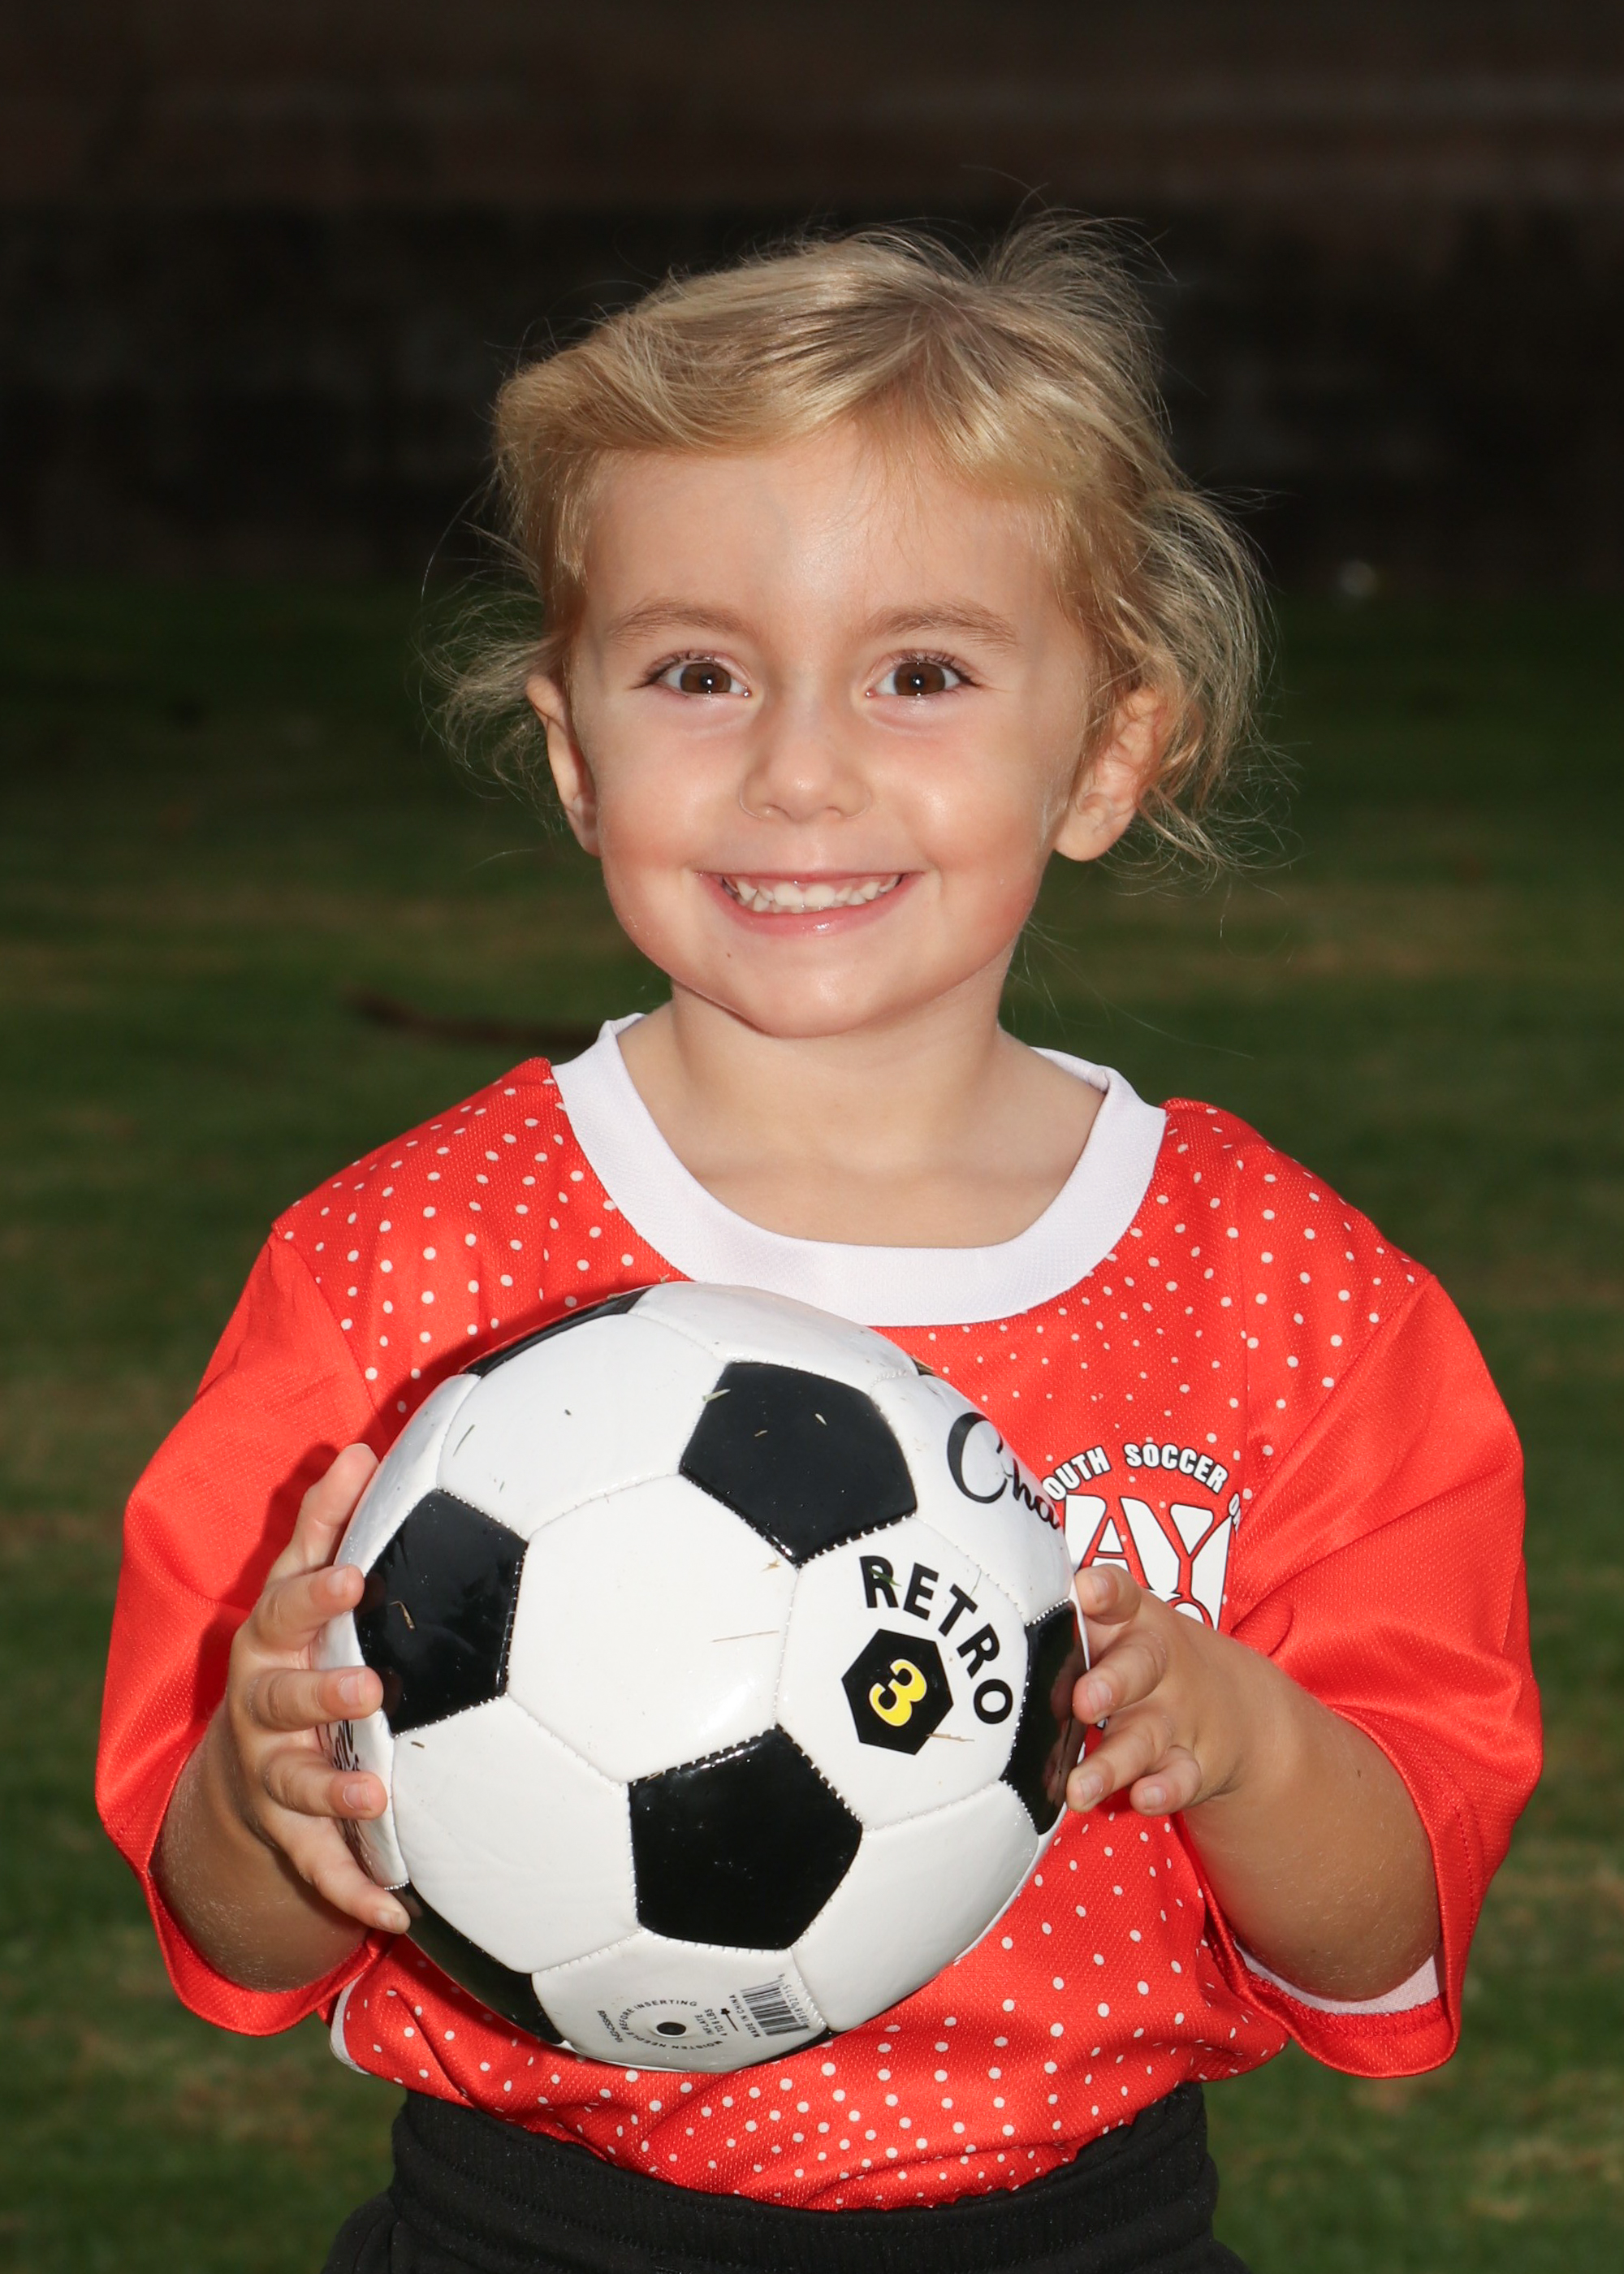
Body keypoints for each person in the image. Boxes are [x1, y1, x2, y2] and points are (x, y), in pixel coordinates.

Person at [97, 225, 1539, 2274]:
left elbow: (1384, 1939)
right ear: (574, 748)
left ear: (1108, 751)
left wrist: (1244, 1732)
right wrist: (267, 1795)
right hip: (527, 2232)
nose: (797, 768)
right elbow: (231, 1934)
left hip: (1092, 2238)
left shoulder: (1291, 1303)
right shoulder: (399, 1272)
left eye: (920, 672)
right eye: (697, 672)